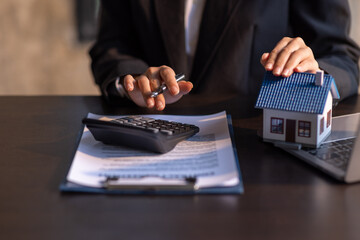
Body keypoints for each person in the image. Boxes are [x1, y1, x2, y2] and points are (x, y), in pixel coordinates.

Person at [90, 0, 360, 111]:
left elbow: (341, 56)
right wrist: (133, 82)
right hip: (151, 138)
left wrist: (316, 78)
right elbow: (110, 45)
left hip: (259, 149)